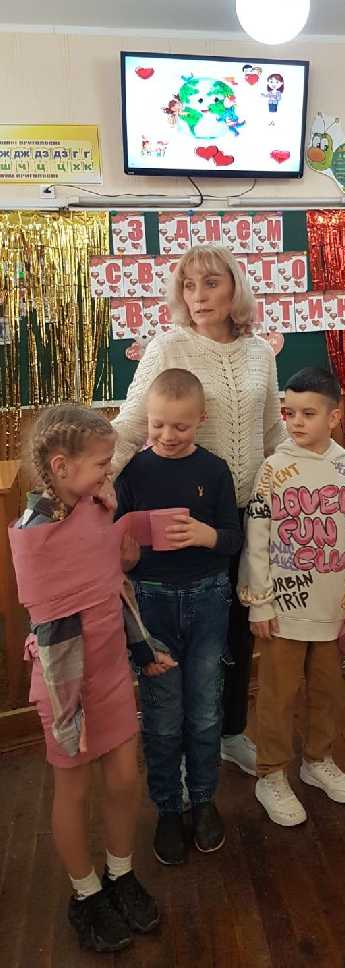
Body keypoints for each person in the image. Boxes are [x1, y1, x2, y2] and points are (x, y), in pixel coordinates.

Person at [111, 243, 287, 777]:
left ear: (235, 288)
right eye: (189, 285)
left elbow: (273, 430)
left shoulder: (259, 353)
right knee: (182, 644)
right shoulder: (169, 346)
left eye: (211, 283)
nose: (199, 296)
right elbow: (132, 423)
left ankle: (229, 732)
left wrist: (313, 469)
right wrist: (96, 482)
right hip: (182, 523)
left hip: (246, 516)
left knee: (238, 632)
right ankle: (182, 750)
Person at [8, 405, 160, 954]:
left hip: (110, 664)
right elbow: (53, 610)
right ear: (61, 466)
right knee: (72, 787)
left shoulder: (99, 505)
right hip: (64, 678)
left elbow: (114, 572)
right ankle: (86, 892)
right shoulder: (34, 533)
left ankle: (120, 873)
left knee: (122, 778)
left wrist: (124, 552)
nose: (109, 470)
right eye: (101, 463)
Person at [237, 367, 345, 826]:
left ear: (334, 417)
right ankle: (271, 773)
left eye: (308, 413)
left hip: (334, 608)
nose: (296, 422)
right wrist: (259, 602)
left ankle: (318, 760)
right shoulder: (273, 470)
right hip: (283, 611)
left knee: (327, 691)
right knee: (277, 696)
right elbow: (256, 538)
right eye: (289, 412)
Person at [115, 369, 242, 865]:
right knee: (163, 715)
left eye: (180, 427)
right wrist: (126, 554)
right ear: (146, 420)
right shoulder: (133, 472)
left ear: (201, 420)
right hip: (152, 602)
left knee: (206, 710)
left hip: (208, 598)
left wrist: (207, 536)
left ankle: (203, 799)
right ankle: (169, 807)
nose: (168, 436)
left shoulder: (215, 470)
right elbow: (117, 544)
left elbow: (232, 538)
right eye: (158, 425)